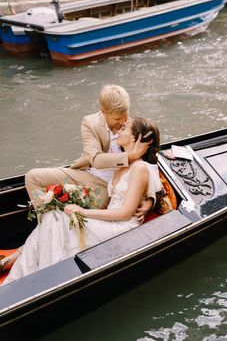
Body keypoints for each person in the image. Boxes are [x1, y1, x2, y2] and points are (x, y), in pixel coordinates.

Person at [0, 85, 154, 273]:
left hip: (108, 191)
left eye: (125, 117)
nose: (122, 122)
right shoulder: (90, 123)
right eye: (117, 119)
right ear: (104, 111)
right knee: (33, 178)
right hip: (89, 175)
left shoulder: (130, 128)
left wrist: (150, 200)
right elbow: (95, 160)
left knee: (57, 216)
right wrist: (128, 156)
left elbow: (149, 163)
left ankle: (24, 251)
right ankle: (43, 235)